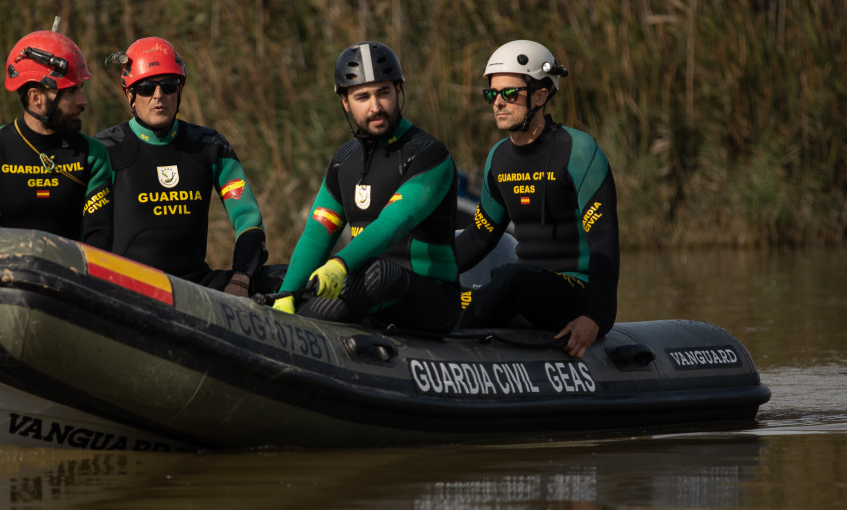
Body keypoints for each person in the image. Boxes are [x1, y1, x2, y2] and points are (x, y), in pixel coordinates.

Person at [272, 41, 461, 337]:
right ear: (345, 102)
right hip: (363, 284)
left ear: (398, 91)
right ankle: (283, 322)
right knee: (276, 276)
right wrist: (286, 295)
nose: (375, 107)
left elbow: (390, 225)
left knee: (379, 273)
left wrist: (340, 264)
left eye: (383, 93)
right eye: (362, 97)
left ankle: (288, 335)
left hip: (428, 297)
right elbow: (318, 232)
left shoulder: (428, 155)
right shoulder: (344, 161)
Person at [455, 40, 620, 359]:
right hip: (522, 290)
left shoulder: (579, 152)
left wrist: (595, 317)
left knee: (512, 277)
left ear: (541, 95)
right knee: (457, 285)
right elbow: (478, 237)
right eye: (492, 94)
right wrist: (426, 269)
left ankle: (453, 347)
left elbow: (603, 242)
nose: (498, 103)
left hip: (578, 294)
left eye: (509, 93)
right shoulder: (498, 158)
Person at [83, 37, 272, 297]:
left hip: (195, 285)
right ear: (130, 95)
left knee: (280, 279)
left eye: (169, 86)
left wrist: (240, 279)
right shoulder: (105, 149)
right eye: (147, 88)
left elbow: (248, 218)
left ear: (180, 91)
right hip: (129, 289)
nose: (158, 96)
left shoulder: (210, 145)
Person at [0, 30, 112, 240]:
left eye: (81, 88)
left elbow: (99, 241)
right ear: (36, 97)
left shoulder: (93, 156)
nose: (83, 101)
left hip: (68, 273)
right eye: (71, 91)